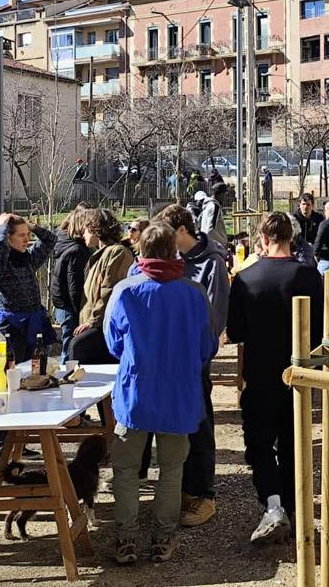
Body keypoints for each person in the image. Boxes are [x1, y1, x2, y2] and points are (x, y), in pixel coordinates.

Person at [106, 221, 218, 565]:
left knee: (126, 470)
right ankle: (162, 538)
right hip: (178, 394)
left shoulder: (125, 291)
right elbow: (207, 346)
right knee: (172, 470)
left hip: (136, 393)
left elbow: (112, 343)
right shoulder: (194, 293)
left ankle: (125, 538)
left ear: (141, 250)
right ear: (174, 251)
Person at [227, 212, 325, 544]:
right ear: (291, 237)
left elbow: (236, 331)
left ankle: (273, 504)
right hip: (299, 372)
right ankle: (293, 509)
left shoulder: (245, 278)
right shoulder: (309, 276)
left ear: (263, 239)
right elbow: (320, 330)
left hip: (260, 372)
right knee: (293, 442)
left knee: (259, 442)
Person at [152, 203, 230, 527]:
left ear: (183, 230)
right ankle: (183, 490)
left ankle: (204, 495)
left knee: (199, 427)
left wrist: (199, 355)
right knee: (175, 429)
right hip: (169, 359)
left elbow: (215, 316)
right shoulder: (173, 260)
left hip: (194, 360)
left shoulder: (212, 263)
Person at [0, 213, 56, 463]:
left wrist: (32, 225)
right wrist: (1, 228)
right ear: (7, 238)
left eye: (28, 235)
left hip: (33, 325)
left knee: (31, 383)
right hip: (10, 329)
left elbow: (50, 240)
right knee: (7, 388)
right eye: (21, 235)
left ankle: (21, 444)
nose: (27, 240)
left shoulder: (27, 258)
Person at [67, 209, 134, 364]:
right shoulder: (99, 255)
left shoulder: (117, 252)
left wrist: (92, 321)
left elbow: (109, 290)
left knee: (77, 347)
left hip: (103, 325)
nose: (83, 234)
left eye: (86, 229)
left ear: (96, 229)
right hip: (93, 323)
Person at [51, 206, 91, 356]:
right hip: (69, 306)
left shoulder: (66, 243)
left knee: (68, 345)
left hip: (62, 304)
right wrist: (79, 311)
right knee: (69, 349)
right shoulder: (76, 250)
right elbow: (74, 285)